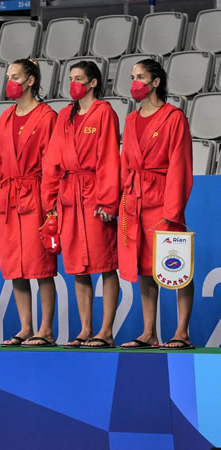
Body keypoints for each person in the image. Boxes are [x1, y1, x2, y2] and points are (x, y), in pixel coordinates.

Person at [42, 61, 121, 349]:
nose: (73, 83)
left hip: (95, 195)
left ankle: (106, 331)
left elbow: (110, 157)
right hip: (68, 197)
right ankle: (86, 329)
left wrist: (107, 199)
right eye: (71, 78)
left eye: (79, 79)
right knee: (78, 266)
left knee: (105, 264)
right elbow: (52, 160)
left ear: (93, 83)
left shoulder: (105, 113)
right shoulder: (64, 115)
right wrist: (49, 200)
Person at [117, 59, 194, 350]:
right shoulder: (131, 119)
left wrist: (172, 212)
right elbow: (126, 165)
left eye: (140, 76)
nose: (135, 82)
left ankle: (181, 332)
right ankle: (149, 332)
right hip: (135, 201)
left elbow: (180, 166)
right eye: (132, 76)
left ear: (156, 82)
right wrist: (123, 199)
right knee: (145, 269)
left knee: (178, 267)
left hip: (163, 200)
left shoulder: (174, 118)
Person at [0, 59, 58, 348]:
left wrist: (49, 200)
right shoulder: (5, 117)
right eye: (8, 76)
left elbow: (51, 162)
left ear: (30, 80)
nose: (10, 81)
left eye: (16, 76)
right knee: (15, 266)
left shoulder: (46, 116)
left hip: (35, 195)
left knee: (41, 266)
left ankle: (46, 329)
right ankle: (26, 327)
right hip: (9, 198)